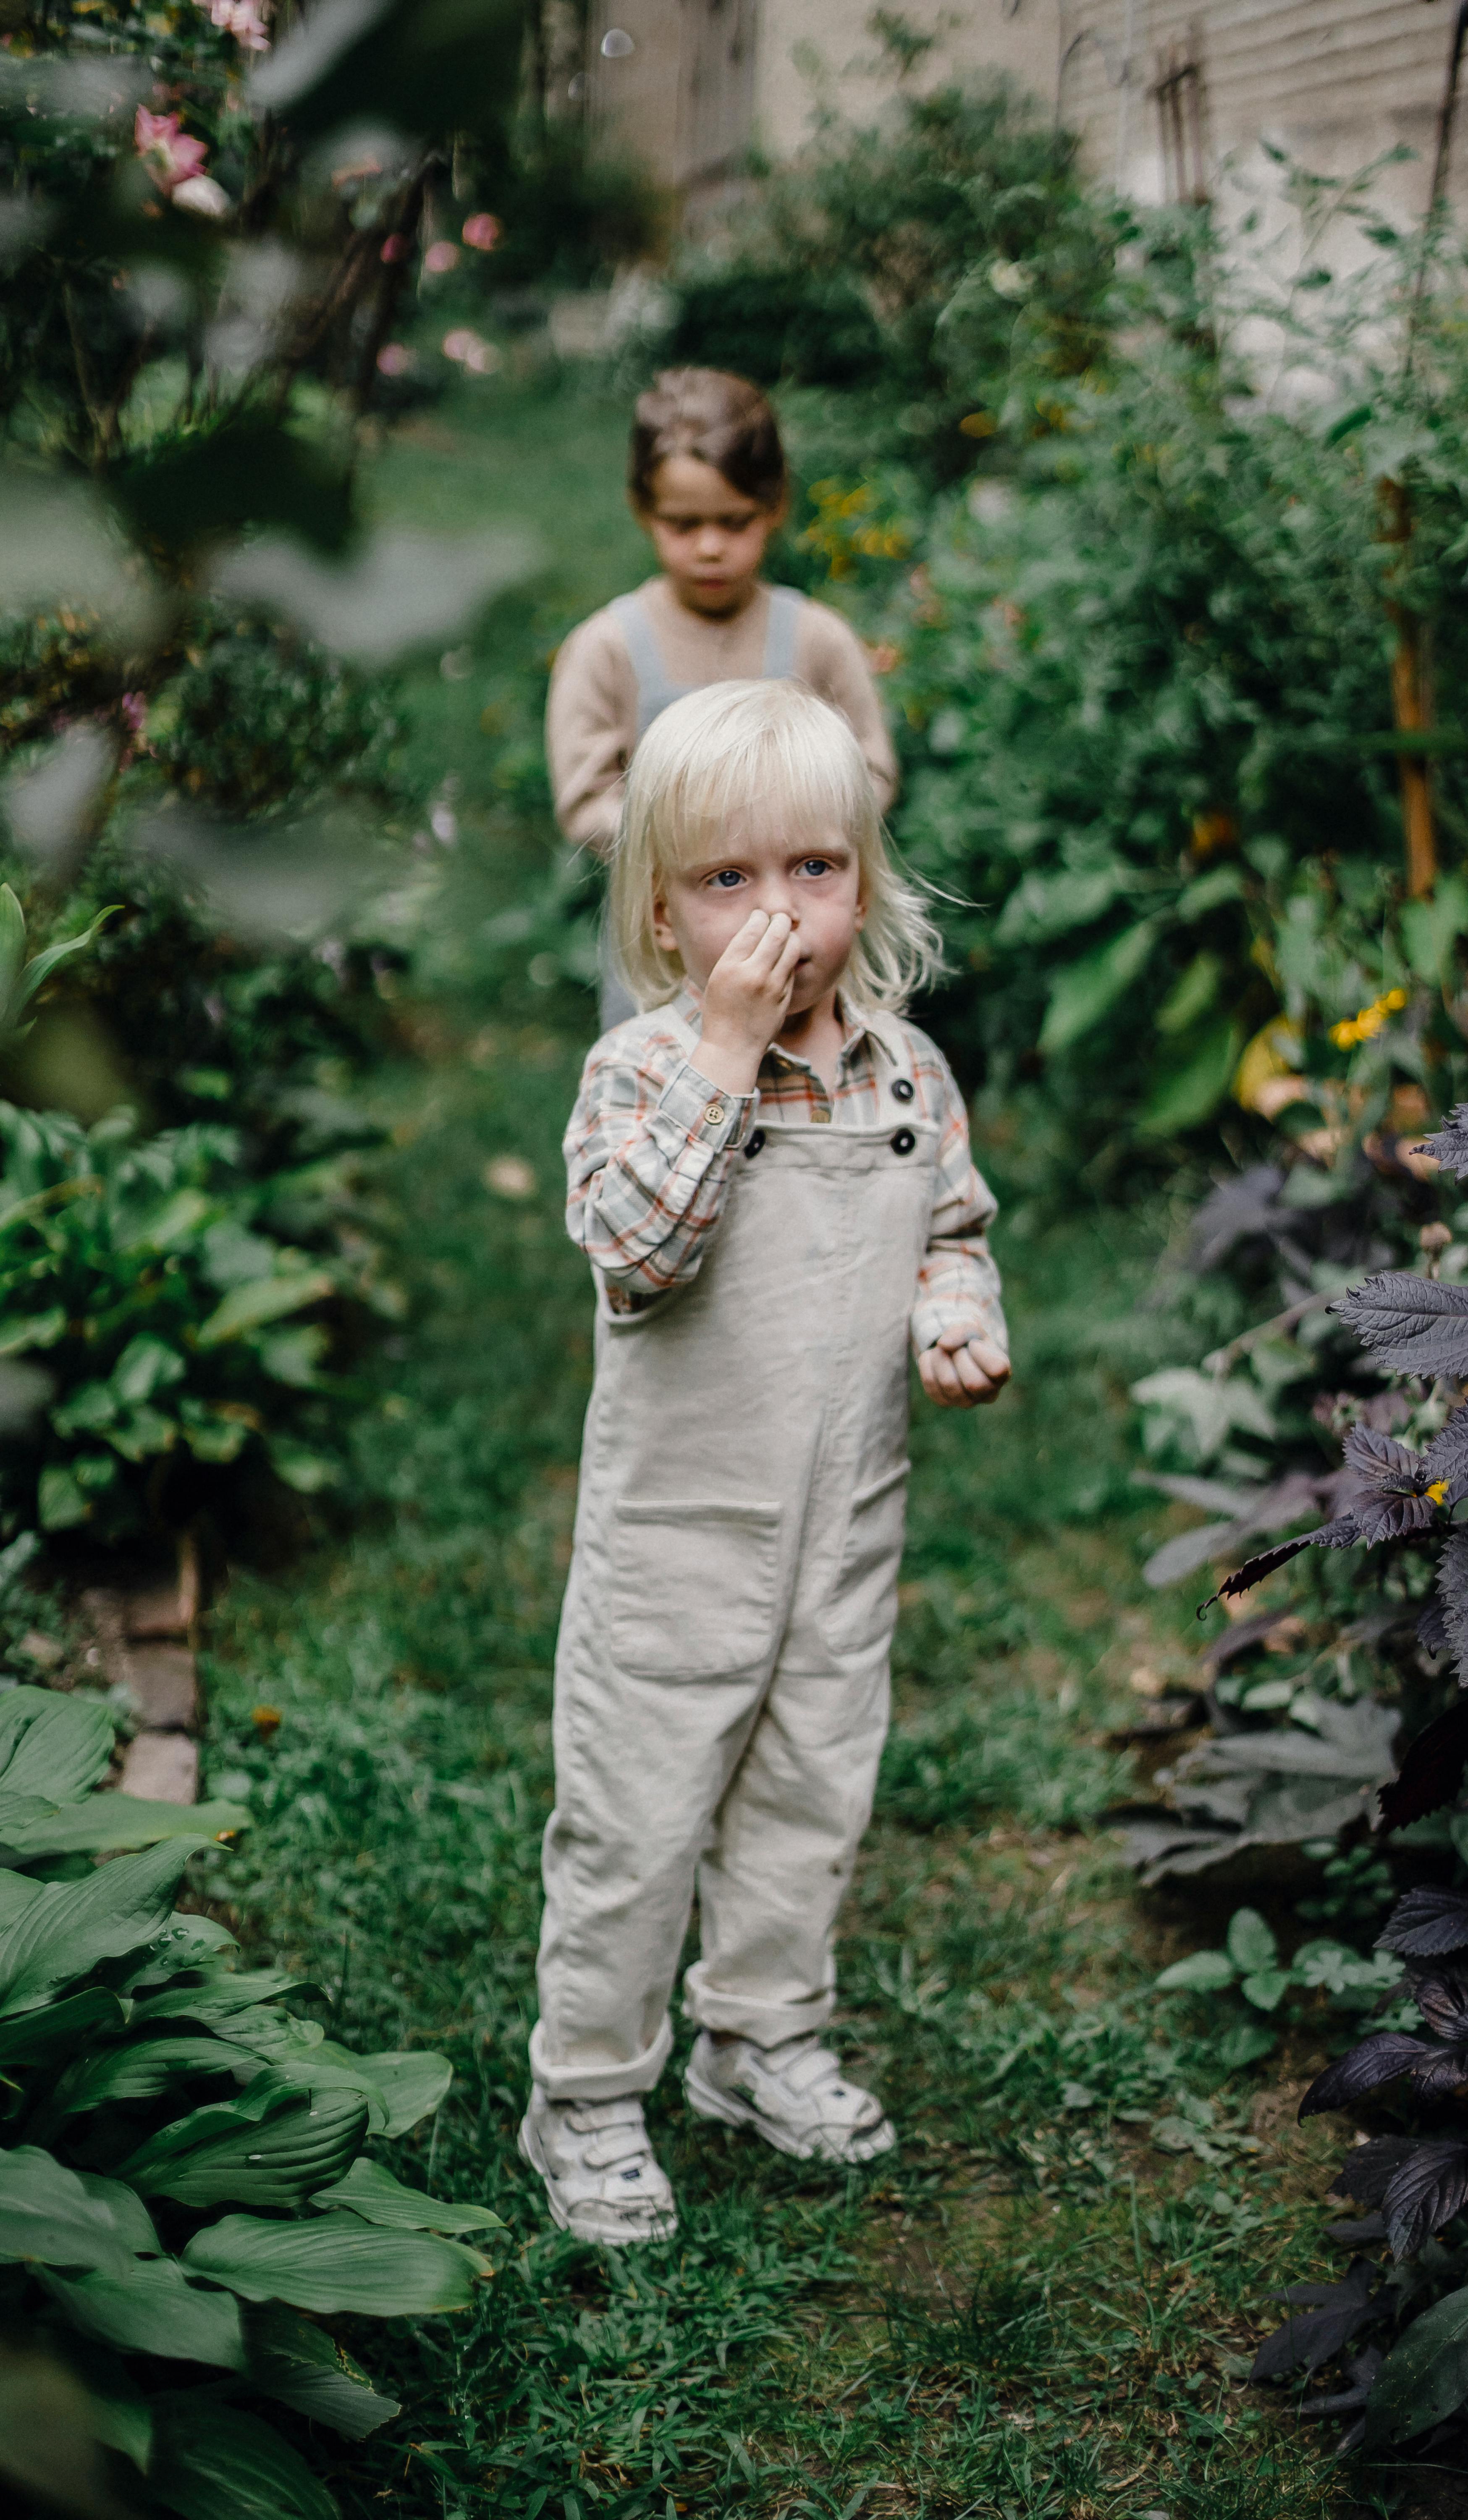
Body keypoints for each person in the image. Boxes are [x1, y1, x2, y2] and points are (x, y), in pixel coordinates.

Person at [521, 678, 1009, 2245]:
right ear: (661, 916)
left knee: (813, 1797)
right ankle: (588, 2095)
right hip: (679, 1534)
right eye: (727, 879)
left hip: (842, 1528)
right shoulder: (646, 1077)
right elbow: (640, 1259)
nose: (777, 912)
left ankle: (758, 2038)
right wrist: (730, 1053)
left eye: (813, 867)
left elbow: (951, 1222)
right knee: (636, 1821)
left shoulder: (907, 1075)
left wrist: (956, 1309)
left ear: (863, 877)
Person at [544, 367, 897, 1024]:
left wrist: (791, 848)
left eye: (734, 522)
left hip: (802, 948)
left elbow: (871, 774)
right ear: (643, 510)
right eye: (684, 524)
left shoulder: (818, 640)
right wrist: (697, 858)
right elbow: (586, 799)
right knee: (669, 1112)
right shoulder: (607, 648)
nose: (710, 547)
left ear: (776, 508)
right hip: (668, 954)